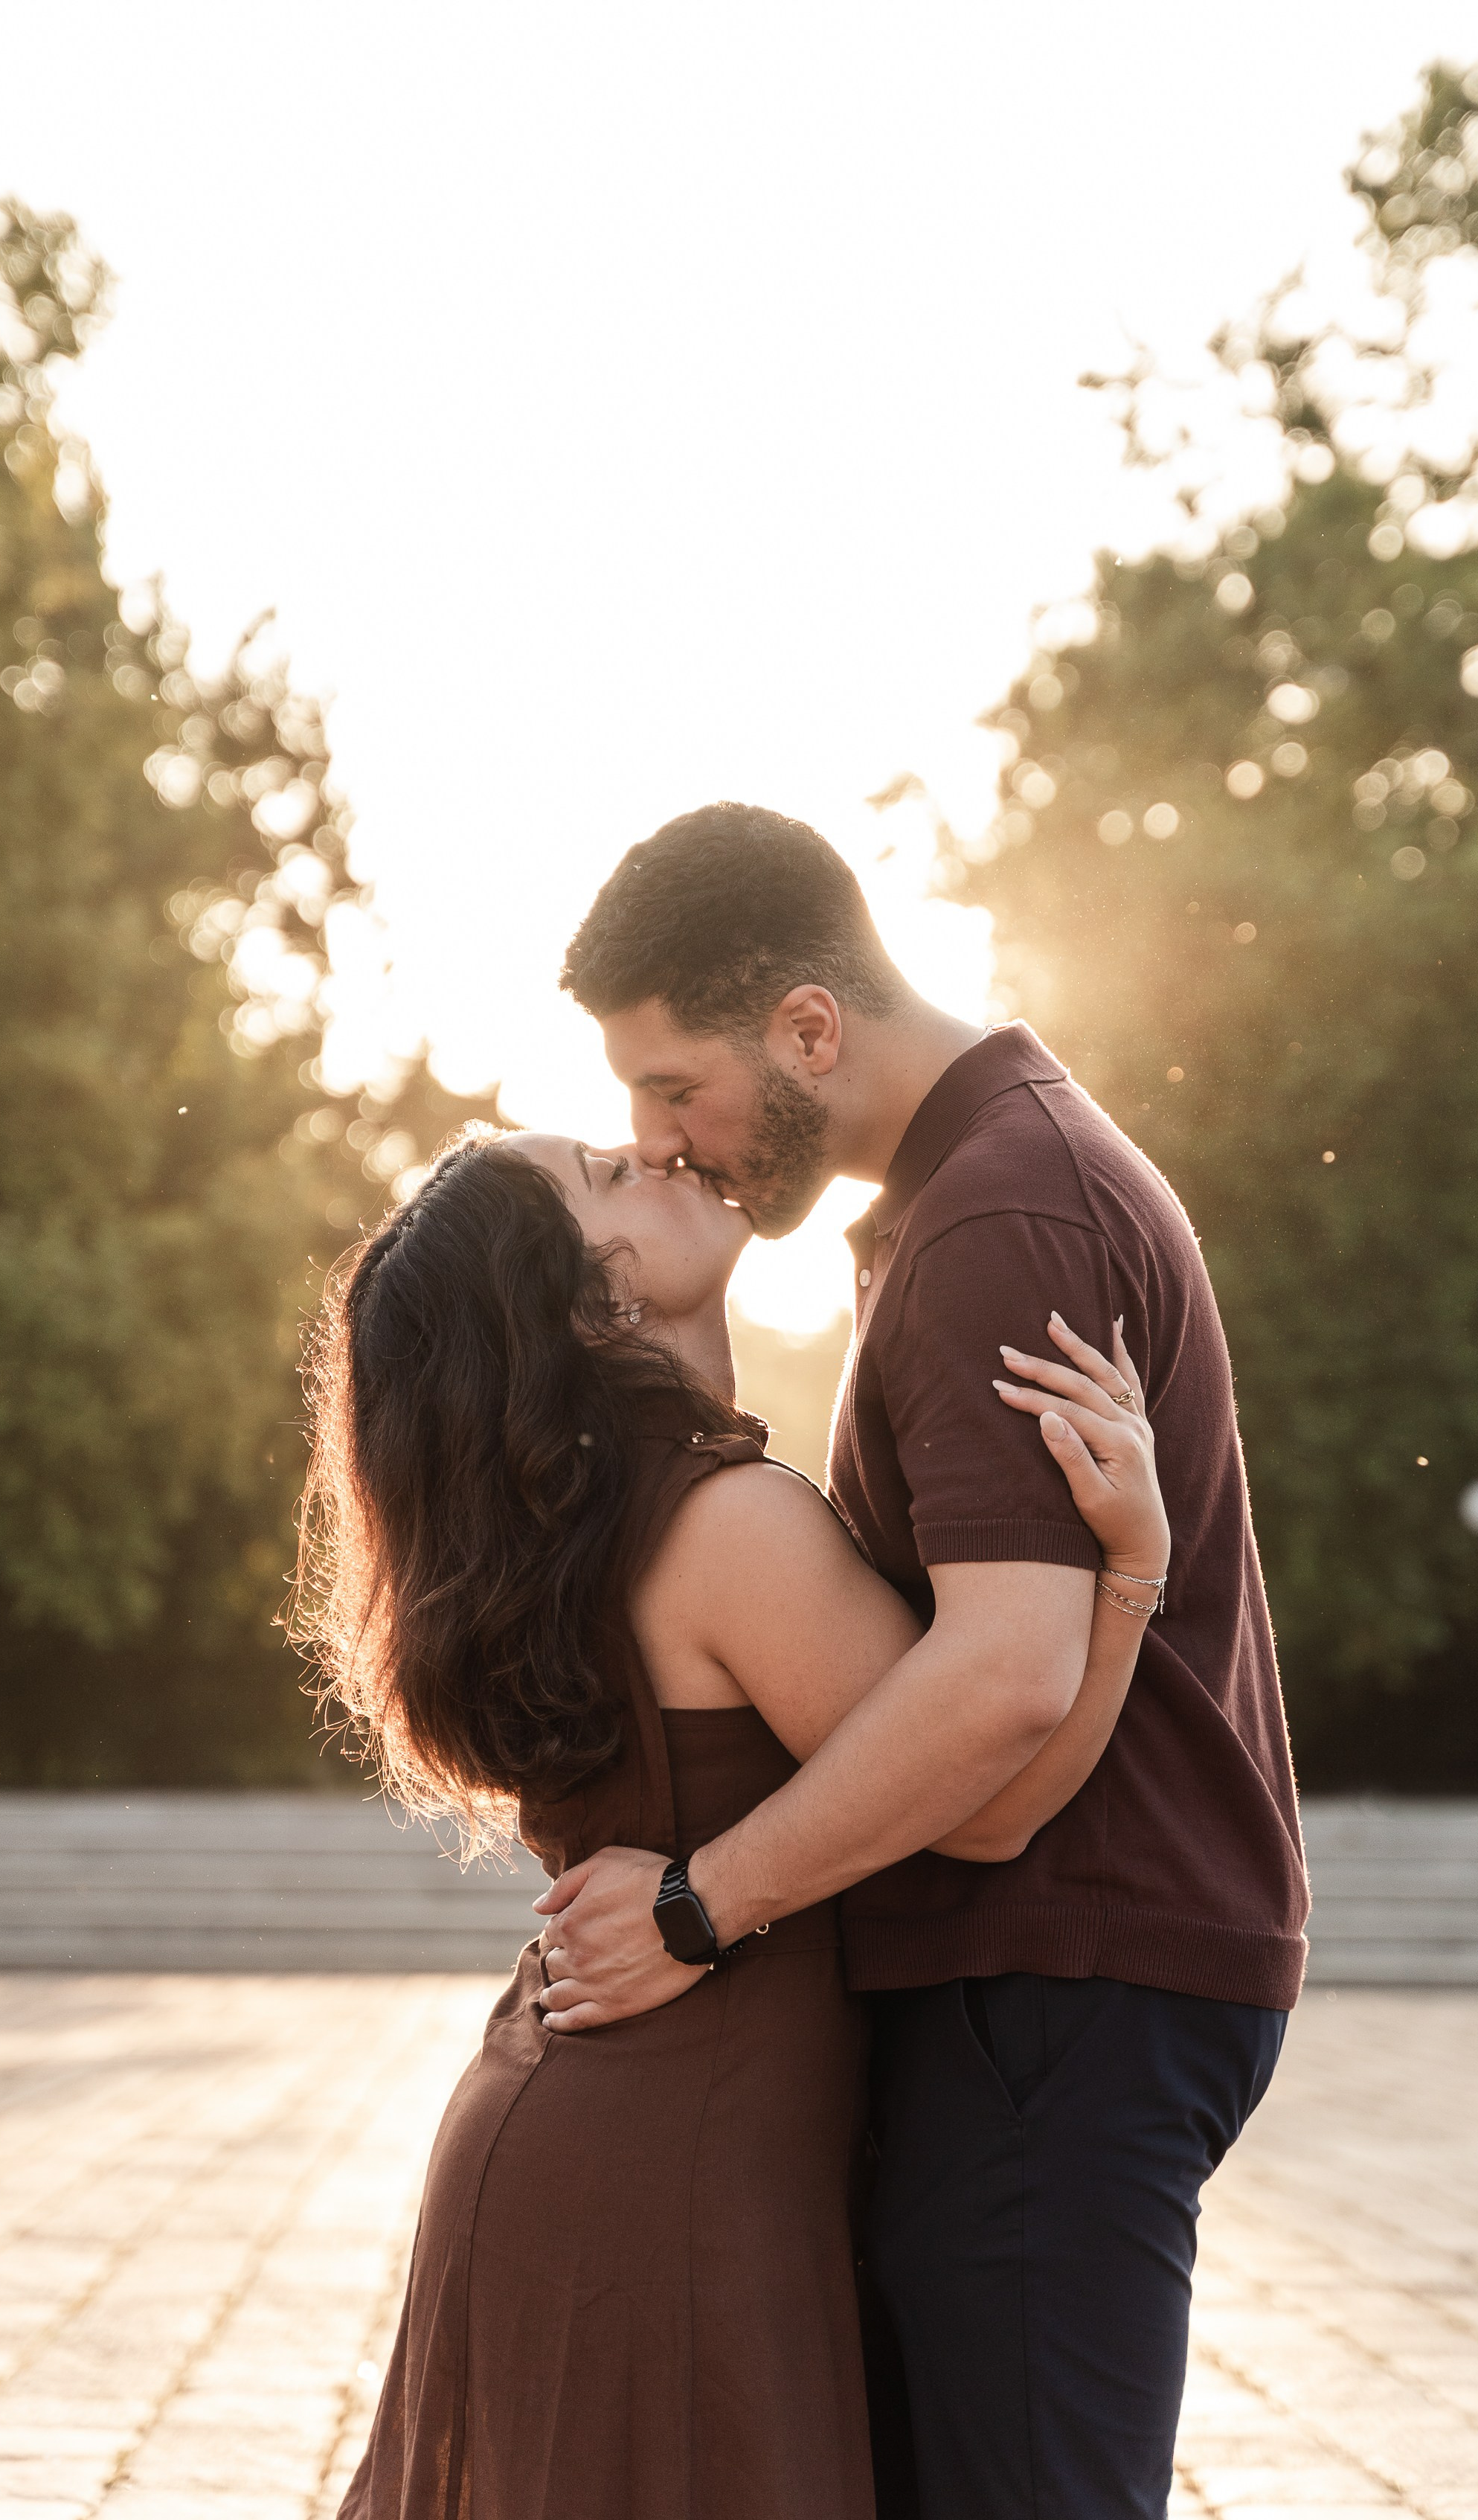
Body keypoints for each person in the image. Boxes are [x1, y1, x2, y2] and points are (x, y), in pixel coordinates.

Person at [539, 800, 1310, 2520]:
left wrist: (693, 1905)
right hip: (1069, 1968)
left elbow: (999, 1679)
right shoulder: (983, 1186)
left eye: (676, 1088)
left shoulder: (993, 1221)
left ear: (809, 1025)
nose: (663, 1142)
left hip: (1062, 1964)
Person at [297, 1122, 1175, 2520]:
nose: (649, 1147)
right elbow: (998, 1806)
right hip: (673, 2170)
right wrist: (1132, 1571)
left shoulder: (602, 1529)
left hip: (590, 2129)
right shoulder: (728, 1525)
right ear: (604, 1300)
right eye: (604, 1175)